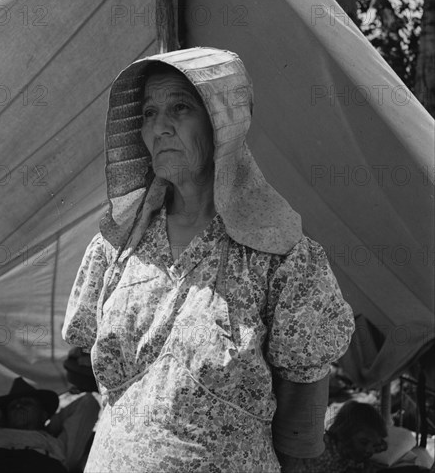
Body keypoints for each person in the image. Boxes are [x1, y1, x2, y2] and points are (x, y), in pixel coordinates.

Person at [62, 47, 356, 472]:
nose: (159, 127)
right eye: (147, 113)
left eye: (179, 108)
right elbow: (86, 367)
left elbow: (302, 410)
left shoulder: (279, 255)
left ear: (223, 124)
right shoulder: (116, 247)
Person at [294, 400, 388, 472]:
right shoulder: (321, 453)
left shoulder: (351, 454)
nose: (369, 450)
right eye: (363, 442)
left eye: (374, 445)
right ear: (345, 433)